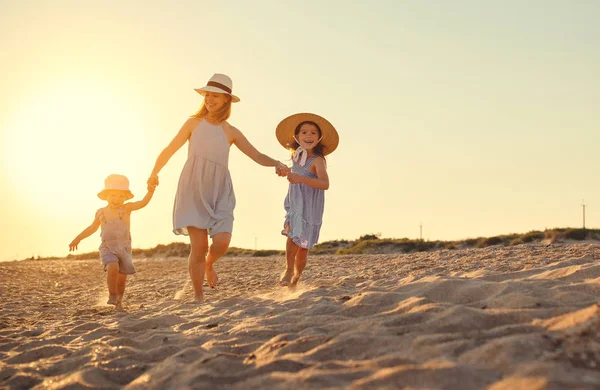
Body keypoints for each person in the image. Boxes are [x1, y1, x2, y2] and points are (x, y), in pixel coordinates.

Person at [147, 73, 288, 302]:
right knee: (199, 246)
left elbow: (257, 155)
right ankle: (198, 295)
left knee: (221, 242)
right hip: (192, 189)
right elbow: (169, 149)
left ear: (226, 100)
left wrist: (277, 163)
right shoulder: (193, 123)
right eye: (207, 95)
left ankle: (209, 264)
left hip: (220, 190)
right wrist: (154, 173)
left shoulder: (230, 131)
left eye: (215, 96)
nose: (209, 99)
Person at [69, 174, 156, 308]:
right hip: (107, 247)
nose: (117, 199)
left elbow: (143, 202)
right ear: (106, 195)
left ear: (126, 197)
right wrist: (78, 238)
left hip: (124, 248)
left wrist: (150, 190)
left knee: (122, 279)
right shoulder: (100, 212)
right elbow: (92, 228)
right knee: (112, 267)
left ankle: (119, 301)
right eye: (113, 195)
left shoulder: (127, 208)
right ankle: (112, 294)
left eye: (121, 196)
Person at [275, 113, 339, 287]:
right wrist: (285, 171)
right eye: (304, 132)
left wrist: (301, 179)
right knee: (292, 236)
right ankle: (288, 270)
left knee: (303, 247)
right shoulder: (296, 155)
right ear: (296, 137)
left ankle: (295, 279)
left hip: (310, 206)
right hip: (296, 204)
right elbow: (295, 173)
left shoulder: (318, 160)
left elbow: (325, 184)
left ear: (319, 138)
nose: (308, 136)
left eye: (313, 133)